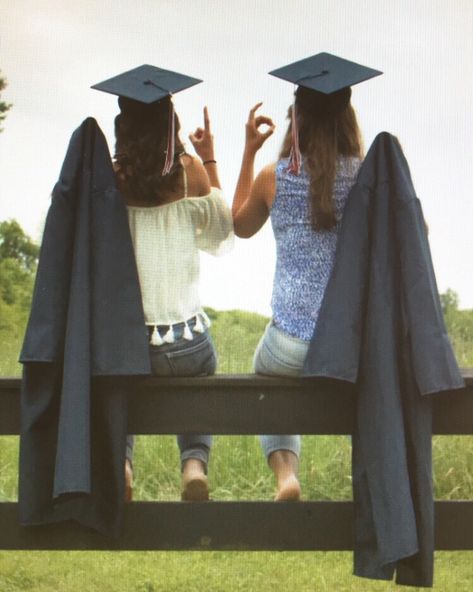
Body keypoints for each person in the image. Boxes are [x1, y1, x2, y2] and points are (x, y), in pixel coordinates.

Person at [231, 53, 381, 501]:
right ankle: (370, 490)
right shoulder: (368, 178)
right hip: (350, 347)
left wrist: (249, 151)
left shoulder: (273, 179)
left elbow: (238, 224)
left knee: (263, 378)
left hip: (289, 346)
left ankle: (286, 474)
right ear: (347, 122)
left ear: (296, 122)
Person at [93, 65, 233, 502]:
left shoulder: (114, 179)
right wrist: (208, 158)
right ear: (171, 123)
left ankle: (123, 461)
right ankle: (193, 461)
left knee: (114, 380)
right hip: (186, 343)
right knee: (207, 368)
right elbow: (220, 232)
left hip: (130, 347)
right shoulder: (190, 172)